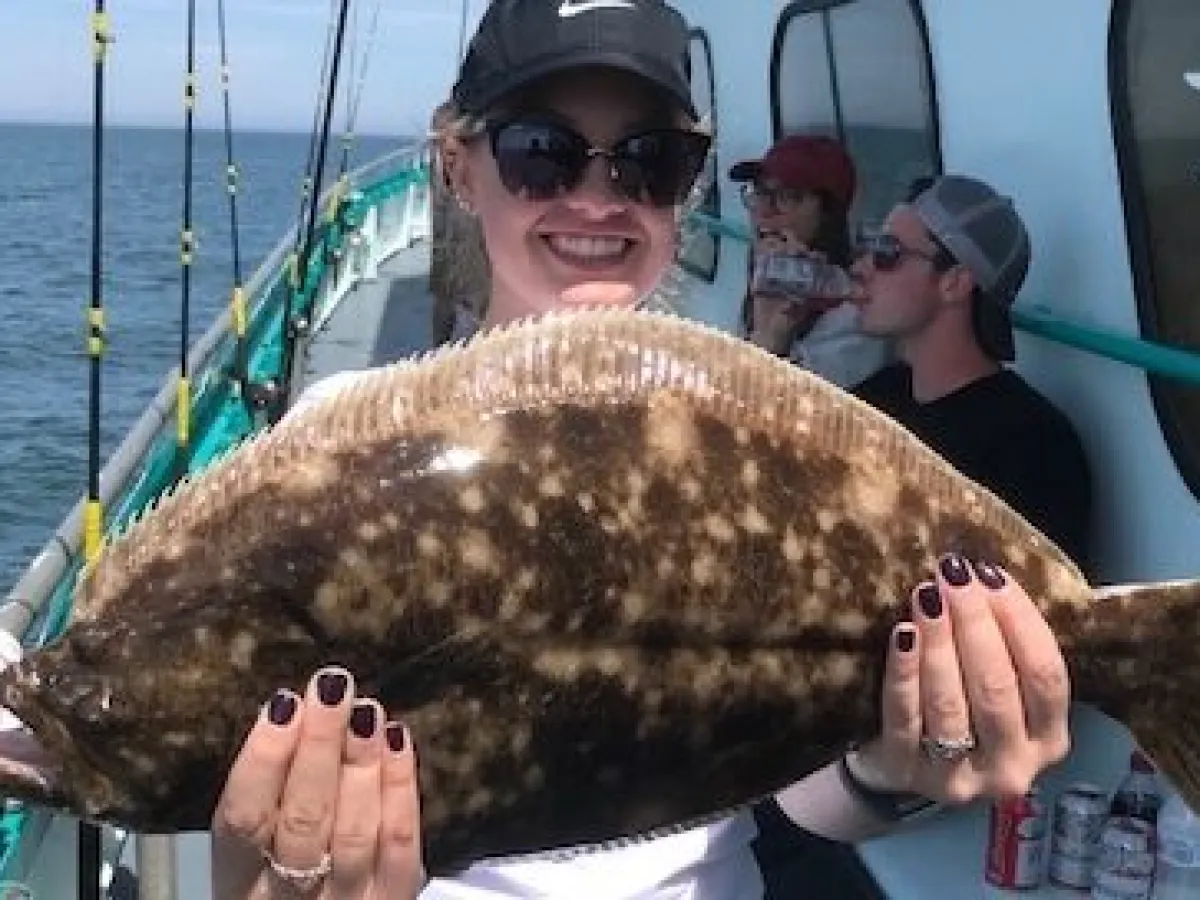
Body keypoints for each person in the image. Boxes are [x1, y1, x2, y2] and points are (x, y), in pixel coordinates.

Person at [210, 3, 1073, 898]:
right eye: (541, 152)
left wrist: (889, 769)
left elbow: (779, 790)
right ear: (460, 167)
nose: (597, 199)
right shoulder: (339, 442)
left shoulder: (756, 440)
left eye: (649, 160)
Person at [850, 175, 1093, 569]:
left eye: (887, 253)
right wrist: (772, 329)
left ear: (955, 283)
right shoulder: (877, 397)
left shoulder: (1034, 446)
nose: (861, 268)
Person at [732, 135, 890, 389]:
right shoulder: (769, 283)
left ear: (828, 214)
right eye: (760, 193)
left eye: (786, 196)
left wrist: (771, 338)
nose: (764, 210)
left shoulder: (856, 314)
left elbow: (791, 401)